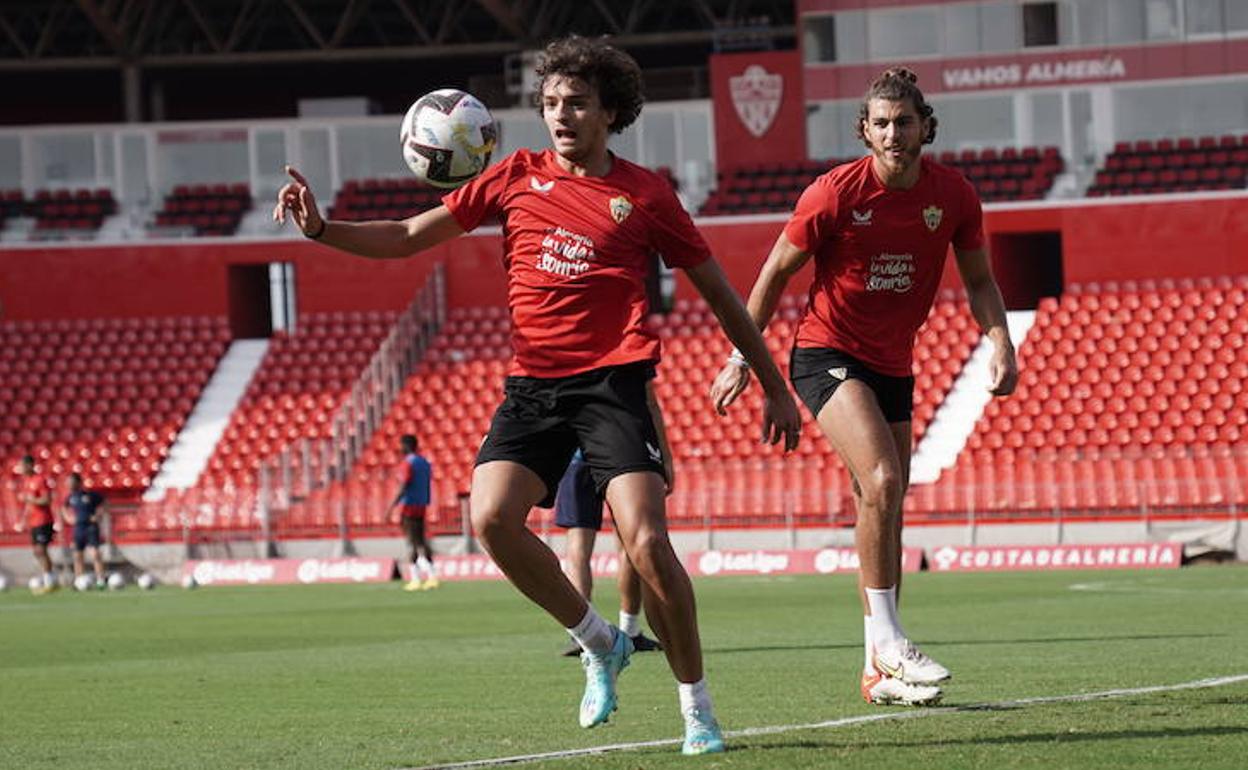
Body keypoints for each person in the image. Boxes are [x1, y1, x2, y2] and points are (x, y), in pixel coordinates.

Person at [274, 34, 801, 755]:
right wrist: (321, 229)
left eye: (577, 103)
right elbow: (404, 236)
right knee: (491, 519)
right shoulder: (514, 177)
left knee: (646, 544)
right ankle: (598, 641)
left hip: (614, 384)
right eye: (551, 103)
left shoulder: (645, 195)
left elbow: (720, 295)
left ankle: (697, 706)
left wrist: (771, 383)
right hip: (534, 386)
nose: (560, 115)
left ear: (609, 111)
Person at [711, 68, 1018, 707]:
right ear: (865, 131)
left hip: (893, 363)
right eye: (880, 122)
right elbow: (771, 276)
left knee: (883, 506)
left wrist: (999, 341)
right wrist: (744, 358)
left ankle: (878, 671)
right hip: (826, 354)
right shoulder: (832, 194)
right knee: (883, 480)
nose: (892, 133)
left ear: (925, 126)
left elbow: (982, 281)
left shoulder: (955, 196)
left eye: (903, 121)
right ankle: (891, 643)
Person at [556, 377, 672, 656]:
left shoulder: (568, 353)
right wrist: (665, 458)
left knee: (578, 551)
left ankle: (583, 634)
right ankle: (629, 629)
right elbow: (650, 404)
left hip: (575, 457)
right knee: (629, 545)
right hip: (620, 453)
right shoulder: (623, 351)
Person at [387, 434, 438, 591]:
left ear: (406, 446)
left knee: (413, 543)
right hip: (422, 505)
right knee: (420, 541)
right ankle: (430, 576)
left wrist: (390, 507)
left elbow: (403, 486)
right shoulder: (425, 463)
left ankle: (420, 577)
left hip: (409, 507)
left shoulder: (407, 463)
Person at [17, 455, 57, 593]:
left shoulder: (40, 480)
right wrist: (23, 520)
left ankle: (49, 582)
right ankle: (51, 578)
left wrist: (31, 499)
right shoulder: (26, 482)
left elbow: (47, 500)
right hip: (33, 521)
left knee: (41, 550)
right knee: (37, 552)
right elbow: (29, 504)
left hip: (43, 520)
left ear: (29, 465)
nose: (20, 469)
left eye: (21, 466)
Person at [62, 472, 108, 590]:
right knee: (77, 555)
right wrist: (68, 518)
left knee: (95, 554)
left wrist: (98, 515)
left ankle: (101, 580)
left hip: (91, 527)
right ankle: (79, 580)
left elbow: (103, 503)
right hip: (78, 528)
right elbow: (63, 508)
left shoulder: (89, 495)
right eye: (68, 482)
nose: (69, 484)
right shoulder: (70, 497)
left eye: (71, 481)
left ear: (78, 482)